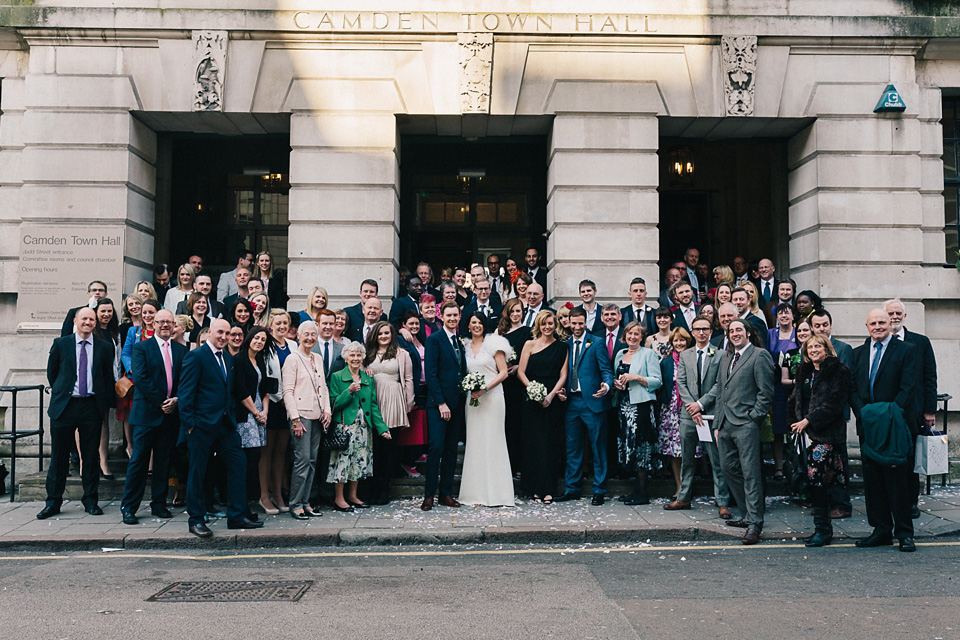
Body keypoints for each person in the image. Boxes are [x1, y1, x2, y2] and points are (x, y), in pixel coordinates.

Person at [179, 318, 263, 537]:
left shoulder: (228, 357)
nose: (224, 337)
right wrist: (190, 426)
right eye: (220, 333)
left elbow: (230, 391)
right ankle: (196, 519)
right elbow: (186, 394)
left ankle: (236, 516)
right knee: (198, 472)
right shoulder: (196, 356)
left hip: (225, 425)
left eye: (227, 333)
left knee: (238, 465)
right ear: (209, 333)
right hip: (201, 426)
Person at [850, 309, 919, 552]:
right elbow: (853, 390)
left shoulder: (906, 351)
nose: (878, 326)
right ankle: (880, 530)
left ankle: (904, 533)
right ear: (866, 326)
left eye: (882, 322)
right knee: (873, 480)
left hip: (895, 425)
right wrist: (866, 415)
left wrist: (889, 415)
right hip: (868, 427)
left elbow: (909, 388)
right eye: (873, 323)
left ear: (890, 323)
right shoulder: (857, 354)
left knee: (898, 480)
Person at [37, 308, 116, 520]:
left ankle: (91, 500)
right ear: (75, 321)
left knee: (90, 457)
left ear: (95, 322)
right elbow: (53, 374)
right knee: (59, 457)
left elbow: (107, 376)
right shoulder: (61, 344)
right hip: (65, 406)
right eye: (84, 318)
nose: (88, 322)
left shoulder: (105, 347)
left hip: (91, 406)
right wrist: (64, 393)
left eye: (92, 319)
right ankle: (53, 502)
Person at [704, 318, 775, 545]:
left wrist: (753, 418)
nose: (734, 333)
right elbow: (720, 392)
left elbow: (765, 393)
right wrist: (716, 425)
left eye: (738, 330)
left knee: (751, 473)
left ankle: (755, 523)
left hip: (745, 424)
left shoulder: (759, 355)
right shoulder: (726, 357)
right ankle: (747, 514)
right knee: (727, 469)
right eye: (731, 331)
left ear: (748, 333)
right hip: (724, 425)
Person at [120, 309, 186, 524]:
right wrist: (162, 402)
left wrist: (175, 400)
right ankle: (129, 507)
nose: (165, 325)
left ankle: (158, 504)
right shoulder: (141, 349)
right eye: (161, 322)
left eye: (169, 322)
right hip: (147, 414)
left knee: (163, 462)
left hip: (170, 415)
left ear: (174, 325)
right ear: (153, 324)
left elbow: (184, 380)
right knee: (139, 462)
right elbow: (141, 378)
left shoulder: (181, 350)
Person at [787, 335, 850, 547]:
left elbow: (835, 403)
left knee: (821, 481)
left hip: (826, 434)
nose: (814, 349)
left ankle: (824, 531)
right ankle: (821, 528)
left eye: (818, 346)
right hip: (804, 434)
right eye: (810, 346)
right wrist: (795, 422)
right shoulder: (804, 371)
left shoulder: (838, 370)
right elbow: (795, 399)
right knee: (813, 482)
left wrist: (808, 421)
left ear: (827, 348)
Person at [666, 315, 732, 518]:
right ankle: (684, 497)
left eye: (705, 329)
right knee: (687, 458)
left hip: (711, 414)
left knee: (716, 459)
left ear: (711, 331)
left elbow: (720, 384)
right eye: (697, 329)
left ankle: (722, 501)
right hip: (689, 415)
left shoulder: (720, 354)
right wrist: (691, 407)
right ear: (692, 332)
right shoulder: (685, 355)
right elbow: (681, 383)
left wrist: (701, 404)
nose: (701, 332)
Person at [885, 298, 938, 519]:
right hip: (888, 413)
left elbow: (929, 377)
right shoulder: (880, 341)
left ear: (904, 316)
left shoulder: (921, 342)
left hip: (913, 412)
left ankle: (911, 503)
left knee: (910, 460)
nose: (895, 317)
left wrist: (930, 411)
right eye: (891, 313)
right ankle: (890, 502)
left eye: (898, 313)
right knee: (889, 460)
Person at [555, 308, 613, 504]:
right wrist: (561, 390)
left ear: (585, 322)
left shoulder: (596, 343)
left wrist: (606, 385)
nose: (577, 327)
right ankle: (572, 488)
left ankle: (599, 490)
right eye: (574, 323)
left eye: (581, 323)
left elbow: (606, 370)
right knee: (572, 447)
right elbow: (561, 373)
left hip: (593, 402)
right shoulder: (564, 345)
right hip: (571, 402)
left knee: (598, 447)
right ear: (569, 323)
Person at [457, 312, 514, 507]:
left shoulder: (493, 344)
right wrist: (473, 389)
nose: (476, 325)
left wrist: (485, 389)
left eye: (480, 322)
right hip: (472, 400)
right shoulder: (463, 346)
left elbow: (504, 372)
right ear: (468, 325)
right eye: (473, 322)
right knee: (475, 443)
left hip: (493, 397)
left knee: (494, 441)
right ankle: (476, 493)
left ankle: (498, 494)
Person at [328, 341, 390, 512]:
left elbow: (373, 406)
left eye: (358, 355)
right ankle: (339, 498)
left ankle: (353, 496)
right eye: (352, 355)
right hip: (345, 427)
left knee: (359, 461)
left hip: (363, 427)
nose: (355, 358)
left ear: (363, 358)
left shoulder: (368, 379)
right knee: (342, 462)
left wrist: (382, 428)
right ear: (346, 357)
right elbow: (333, 404)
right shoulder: (337, 377)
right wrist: (348, 392)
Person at [280, 321, 332, 518]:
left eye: (313, 334)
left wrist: (327, 411)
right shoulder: (292, 359)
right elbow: (287, 391)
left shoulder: (317, 358)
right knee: (301, 461)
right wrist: (295, 419)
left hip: (317, 415)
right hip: (301, 416)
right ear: (299, 336)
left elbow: (323, 387)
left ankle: (306, 501)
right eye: (306, 334)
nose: (310, 338)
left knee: (312, 461)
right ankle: (295, 504)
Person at [517, 310, 569, 503]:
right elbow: (521, 372)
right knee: (533, 443)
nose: (548, 327)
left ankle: (548, 488)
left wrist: (550, 395)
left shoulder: (562, 347)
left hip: (552, 399)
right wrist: (534, 391)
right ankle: (534, 487)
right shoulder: (529, 345)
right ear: (538, 325)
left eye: (551, 323)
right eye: (544, 323)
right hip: (531, 399)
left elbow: (563, 375)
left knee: (550, 444)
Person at [609, 321, 662, 504]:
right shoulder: (620, 355)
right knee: (628, 447)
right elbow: (617, 379)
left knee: (641, 448)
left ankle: (643, 493)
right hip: (624, 407)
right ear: (625, 335)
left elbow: (657, 381)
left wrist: (636, 377)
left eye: (637, 334)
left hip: (642, 407)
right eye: (630, 333)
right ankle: (635, 490)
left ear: (641, 337)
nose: (633, 337)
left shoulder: (648, 354)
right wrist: (616, 385)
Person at [421, 301, 468, 511]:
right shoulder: (434, 340)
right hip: (438, 405)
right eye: (448, 315)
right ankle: (429, 495)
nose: (452, 318)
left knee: (450, 450)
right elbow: (430, 374)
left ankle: (446, 493)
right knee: (436, 447)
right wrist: (441, 403)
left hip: (457, 404)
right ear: (441, 316)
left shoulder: (459, 341)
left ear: (459, 317)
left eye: (455, 315)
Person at [363, 321, 414, 505]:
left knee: (389, 448)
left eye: (387, 333)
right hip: (373, 401)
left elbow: (408, 379)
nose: (384, 336)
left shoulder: (402, 354)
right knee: (374, 447)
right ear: (375, 336)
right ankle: (372, 489)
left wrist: (408, 404)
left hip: (393, 400)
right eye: (380, 333)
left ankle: (385, 489)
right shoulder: (367, 355)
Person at [810, 309, 854, 519]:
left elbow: (844, 385)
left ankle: (842, 503)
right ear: (811, 327)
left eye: (825, 324)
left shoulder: (844, 349)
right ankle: (824, 503)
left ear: (830, 325)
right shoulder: (810, 349)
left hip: (834, 417)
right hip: (814, 419)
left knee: (838, 462)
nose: (821, 328)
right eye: (817, 325)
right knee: (820, 464)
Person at [257, 310, 296, 514]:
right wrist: (276, 397)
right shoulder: (265, 345)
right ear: (271, 325)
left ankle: (278, 493)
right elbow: (264, 375)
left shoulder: (293, 345)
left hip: (288, 405)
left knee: (281, 451)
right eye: (278, 323)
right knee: (267, 451)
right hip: (271, 402)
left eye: (285, 323)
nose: (282, 326)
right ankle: (264, 495)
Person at [234, 327, 271, 517]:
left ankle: (246, 503)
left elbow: (265, 389)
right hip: (246, 415)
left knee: (255, 458)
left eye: (263, 339)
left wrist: (264, 411)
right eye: (256, 337)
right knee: (246, 460)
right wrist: (256, 412)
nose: (259, 341)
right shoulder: (239, 360)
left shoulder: (260, 360)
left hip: (259, 414)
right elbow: (240, 391)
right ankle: (242, 505)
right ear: (249, 338)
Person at [658, 328, 694, 499]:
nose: (679, 344)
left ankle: (690, 485)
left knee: (690, 449)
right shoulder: (666, 361)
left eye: (682, 340)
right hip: (671, 409)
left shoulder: (694, 358)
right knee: (675, 451)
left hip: (690, 408)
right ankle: (680, 487)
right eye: (676, 341)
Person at [120, 299, 159, 459]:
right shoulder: (133, 331)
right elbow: (126, 352)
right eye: (145, 313)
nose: (148, 316)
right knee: (131, 414)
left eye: (151, 312)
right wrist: (132, 368)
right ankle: (130, 446)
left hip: (156, 380)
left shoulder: (162, 330)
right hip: (136, 380)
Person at [498, 298, 531, 472]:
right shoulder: (500, 333)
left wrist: (520, 367)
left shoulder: (528, 332)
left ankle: (519, 465)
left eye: (518, 311)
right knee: (507, 423)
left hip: (521, 383)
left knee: (520, 424)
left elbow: (534, 354)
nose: (516, 314)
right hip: (504, 384)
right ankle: (507, 465)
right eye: (512, 311)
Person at [767, 303, 798, 481]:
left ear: (793, 315)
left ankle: (795, 463)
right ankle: (778, 466)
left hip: (795, 384)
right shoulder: (771, 333)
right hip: (776, 385)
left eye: (787, 313)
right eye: (780, 313)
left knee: (795, 426)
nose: (784, 316)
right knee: (778, 427)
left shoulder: (798, 333)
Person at [92, 297, 121, 479]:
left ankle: (103, 461)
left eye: (110, 311)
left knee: (103, 422)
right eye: (103, 311)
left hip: (108, 382)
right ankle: (84, 462)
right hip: (91, 382)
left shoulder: (114, 333)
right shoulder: (90, 331)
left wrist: (117, 382)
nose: (106, 314)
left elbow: (116, 360)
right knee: (84, 423)